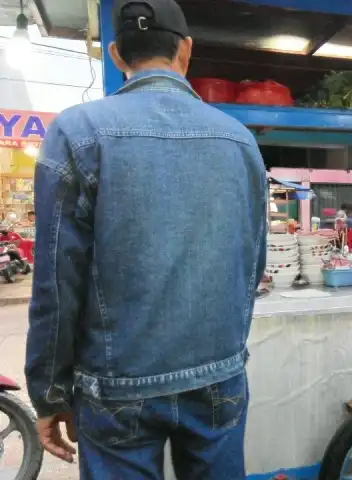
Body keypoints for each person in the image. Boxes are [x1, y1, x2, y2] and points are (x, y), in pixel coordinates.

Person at [25, 0, 267, 478]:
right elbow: (253, 263)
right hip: (218, 374)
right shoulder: (239, 140)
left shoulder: (78, 132)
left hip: (118, 385)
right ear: (187, 51)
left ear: (116, 55)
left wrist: (49, 392)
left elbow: (56, 278)